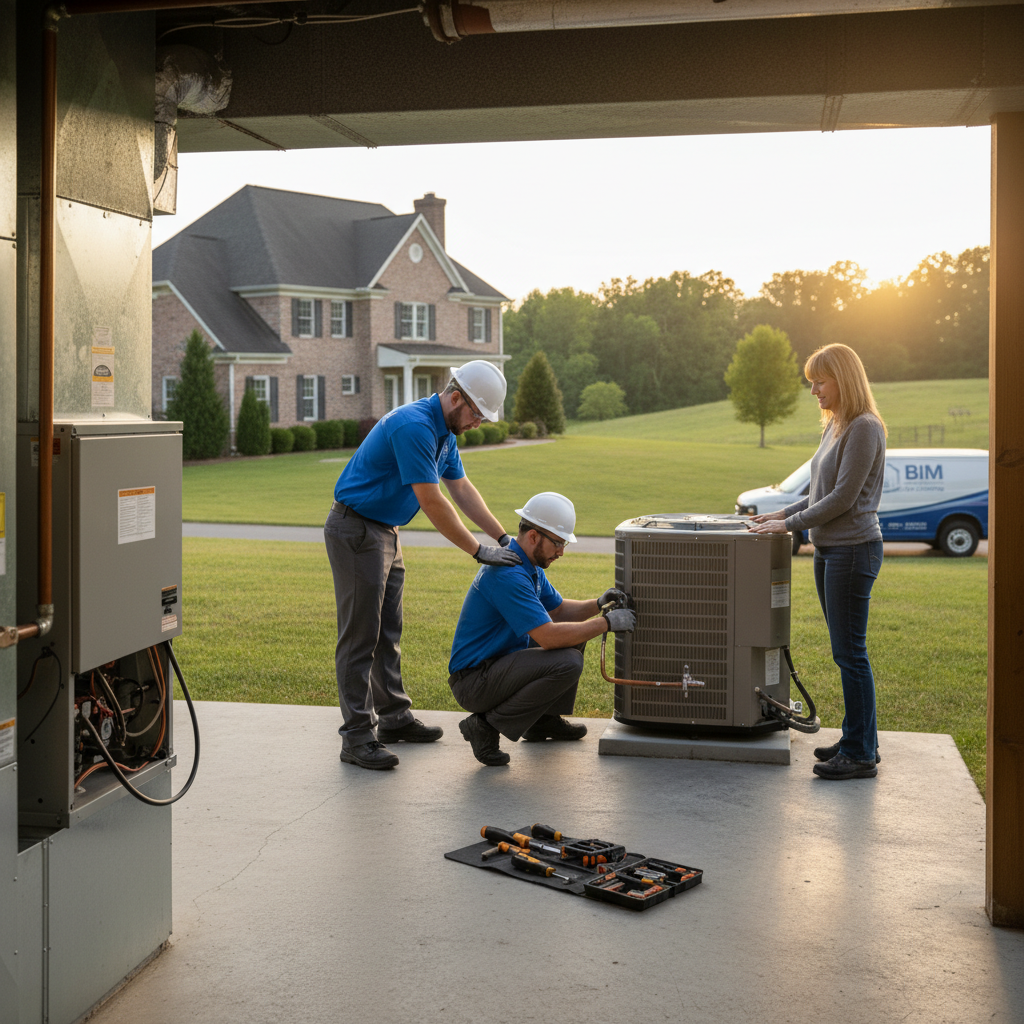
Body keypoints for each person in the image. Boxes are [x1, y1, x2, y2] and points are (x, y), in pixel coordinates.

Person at [325, 361, 521, 771]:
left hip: (385, 531)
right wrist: (477, 550)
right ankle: (357, 737)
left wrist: (502, 538)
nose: (478, 424)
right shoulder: (414, 426)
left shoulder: (445, 432)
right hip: (357, 529)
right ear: (455, 398)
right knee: (360, 636)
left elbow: (462, 489)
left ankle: (394, 718)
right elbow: (433, 501)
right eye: (476, 414)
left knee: (387, 631)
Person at [748, 343, 886, 781]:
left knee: (851, 653)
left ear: (842, 379)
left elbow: (844, 499)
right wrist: (780, 514)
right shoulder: (836, 425)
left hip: (853, 549)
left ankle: (861, 754)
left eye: (819, 381)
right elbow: (821, 490)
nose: (813, 391)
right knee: (844, 652)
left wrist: (789, 526)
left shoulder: (864, 427)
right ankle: (856, 740)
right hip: (830, 550)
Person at [447, 491, 637, 766]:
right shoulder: (508, 574)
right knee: (568, 661)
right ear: (534, 536)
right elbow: (548, 637)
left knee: (572, 638)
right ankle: (485, 726)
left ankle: (543, 723)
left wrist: (597, 604)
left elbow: (558, 611)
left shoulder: (527, 564)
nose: (561, 551)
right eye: (558, 543)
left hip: (494, 667)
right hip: (474, 682)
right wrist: (606, 623)